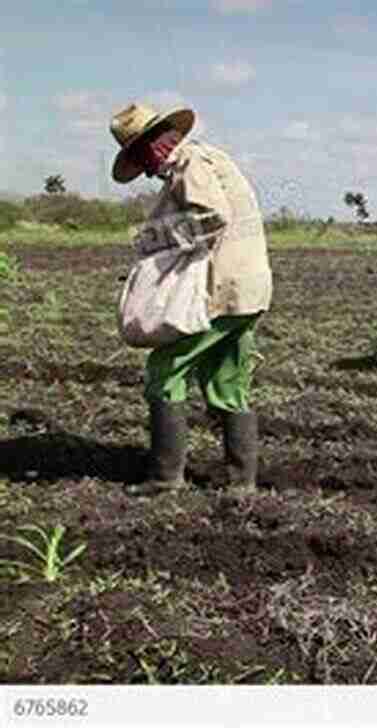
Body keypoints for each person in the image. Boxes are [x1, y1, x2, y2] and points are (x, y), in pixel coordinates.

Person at [109, 103, 272, 495]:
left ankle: (166, 477)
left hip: (222, 290)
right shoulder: (208, 158)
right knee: (226, 380)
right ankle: (241, 482)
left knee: (164, 369)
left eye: (141, 156)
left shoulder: (191, 163)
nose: (146, 168)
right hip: (247, 291)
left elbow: (213, 216)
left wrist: (153, 238)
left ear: (158, 142)